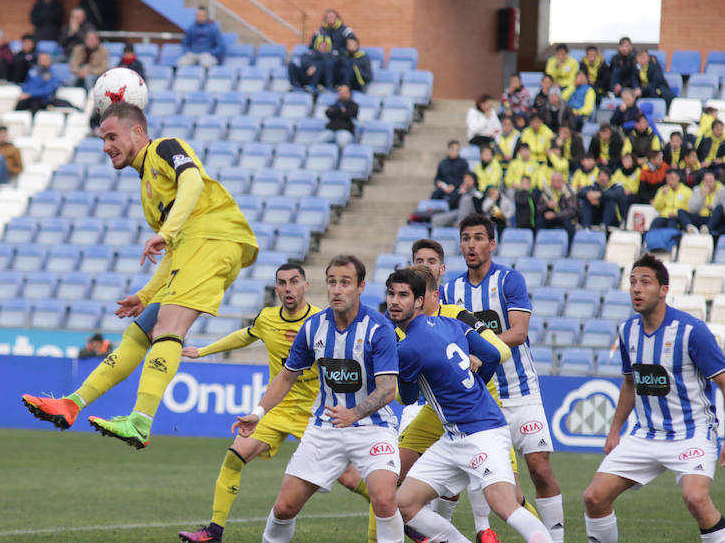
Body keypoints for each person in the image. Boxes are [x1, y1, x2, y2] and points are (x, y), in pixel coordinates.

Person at [23, 103, 258, 449]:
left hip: (216, 238)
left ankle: (140, 421)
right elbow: (176, 250)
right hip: (197, 246)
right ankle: (72, 403)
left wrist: (167, 232)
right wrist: (147, 295)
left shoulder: (164, 148)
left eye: (111, 136)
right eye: (103, 139)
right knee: (139, 333)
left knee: (168, 328)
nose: (106, 146)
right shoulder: (147, 189)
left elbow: (192, 181)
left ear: (137, 132)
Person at [177, 264, 369, 543]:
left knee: (350, 479)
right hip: (276, 407)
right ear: (276, 289)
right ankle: (214, 531)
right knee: (234, 457)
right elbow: (244, 336)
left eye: (293, 282)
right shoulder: (267, 318)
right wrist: (204, 350)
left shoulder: (323, 319)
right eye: (282, 283)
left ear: (305, 286)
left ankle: (393, 507)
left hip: (316, 411)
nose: (288, 288)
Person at [232, 255, 404, 543]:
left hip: (374, 429)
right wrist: (258, 413)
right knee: (284, 508)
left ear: (361, 286)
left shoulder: (378, 328)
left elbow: (388, 388)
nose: (337, 289)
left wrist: (354, 414)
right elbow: (286, 376)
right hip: (325, 429)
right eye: (332, 282)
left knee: (385, 500)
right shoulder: (313, 328)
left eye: (345, 283)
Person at [394, 267, 553, 543]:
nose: (395, 301)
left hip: (482, 434)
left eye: (403, 295)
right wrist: (473, 380)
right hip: (454, 438)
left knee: (504, 504)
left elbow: (407, 398)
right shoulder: (452, 324)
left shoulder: (408, 347)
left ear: (420, 301)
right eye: (391, 294)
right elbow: (491, 353)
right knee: (403, 502)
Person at [582, 254, 725, 543]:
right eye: (632, 282)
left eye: (645, 282)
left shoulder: (692, 332)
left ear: (664, 290)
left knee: (696, 499)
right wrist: (614, 432)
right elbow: (629, 383)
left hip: (692, 434)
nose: (636, 288)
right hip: (645, 435)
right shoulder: (627, 331)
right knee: (594, 498)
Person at [442, 214, 565, 543]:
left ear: (492, 244)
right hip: (481, 399)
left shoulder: (510, 280)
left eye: (479, 237)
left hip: (521, 392)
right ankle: (481, 532)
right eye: (466, 238)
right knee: (493, 481)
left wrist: (479, 350)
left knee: (539, 467)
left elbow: (519, 332)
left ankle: (557, 537)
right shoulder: (450, 290)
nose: (471, 244)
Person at [678, 169, 725, 234]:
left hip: (714, 218)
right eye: (706, 181)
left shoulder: (722, 190)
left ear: (715, 181)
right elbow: (692, 209)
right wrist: (702, 196)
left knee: (719, 207)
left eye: (711, 181)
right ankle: (690, 228)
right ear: (702, 181)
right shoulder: (697, 190)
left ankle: (707, 229)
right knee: (681, 211)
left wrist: (712, 208)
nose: (708, 183)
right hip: (701, 217)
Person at [537, 171, 577, 240]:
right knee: (540, 221)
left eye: (558, 181)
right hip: (551, 217)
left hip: (564, 217)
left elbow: (572, 210)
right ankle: (540, 244)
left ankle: (569, 248)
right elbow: (538, 208)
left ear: (563, 181)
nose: (556, 184)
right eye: (553, 181)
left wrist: (555, 214)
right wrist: (547, 206)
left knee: (568, 224)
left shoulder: (569, 191)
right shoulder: (546, 191)